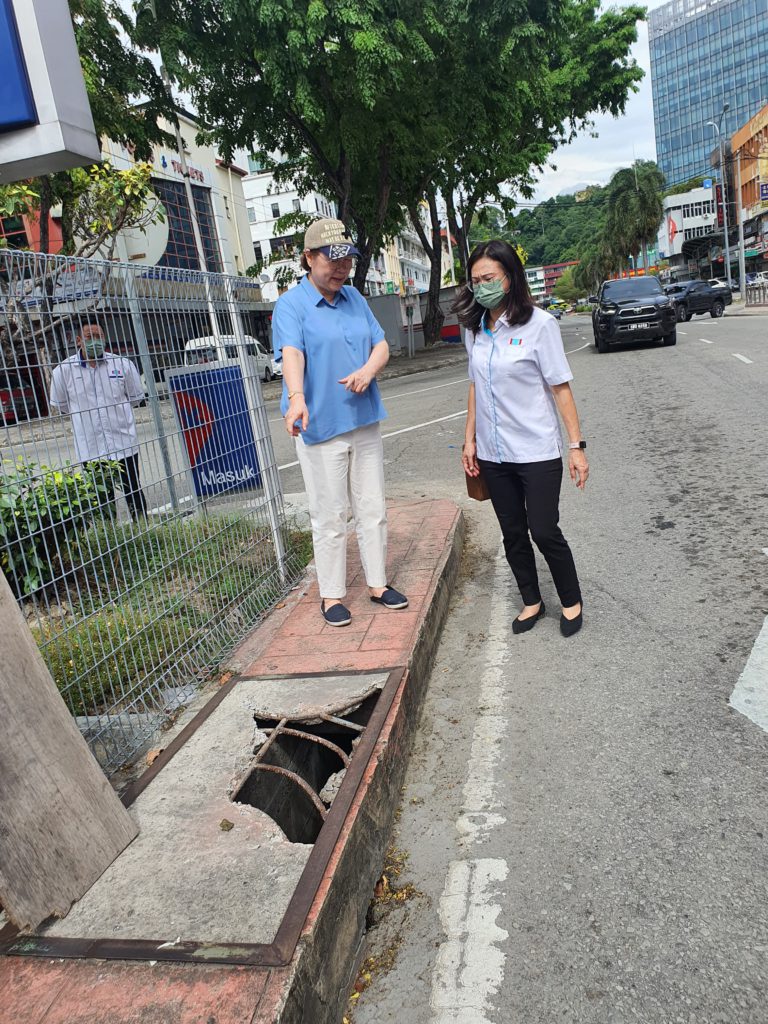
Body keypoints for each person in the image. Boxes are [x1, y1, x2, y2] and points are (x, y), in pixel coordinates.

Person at [272, 218, 408, 626]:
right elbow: (291, 353)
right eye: (332, 261)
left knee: (372, 506)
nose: (341, 268)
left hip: (363, 417)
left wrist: (368, 370)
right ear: (308, 258)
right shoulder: (291, 305)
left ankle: (378, 584)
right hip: (319, 426)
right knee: (329, 514)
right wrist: (296, 399)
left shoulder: (354, 298)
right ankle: (331, 595)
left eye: (347, 260)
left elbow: (380, 343)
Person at [456, 240, 588, 637]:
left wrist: (577, 448)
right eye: (476, 280)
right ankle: (532, 600)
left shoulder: (540, 325)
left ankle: (571, 599)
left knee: (544, 530)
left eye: (489, 278)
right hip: (495, 453)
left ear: (510, 278)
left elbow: (560, 388)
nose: (481, 286)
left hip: (536, 449)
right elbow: (475, 386)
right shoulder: (475, 329)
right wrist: (469, 440)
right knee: (512, 533)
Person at [50, 317, 147, 520]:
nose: (95, 341)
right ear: (78, 340)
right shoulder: (63, 371)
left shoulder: (122, 365)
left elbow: (136, 398)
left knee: (133, 490)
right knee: (102, 498)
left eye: (99, 336)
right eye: (89, 337)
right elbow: (62, 406)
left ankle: (143, 528)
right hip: (91, 448)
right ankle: (110, 541)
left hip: (123, 443)